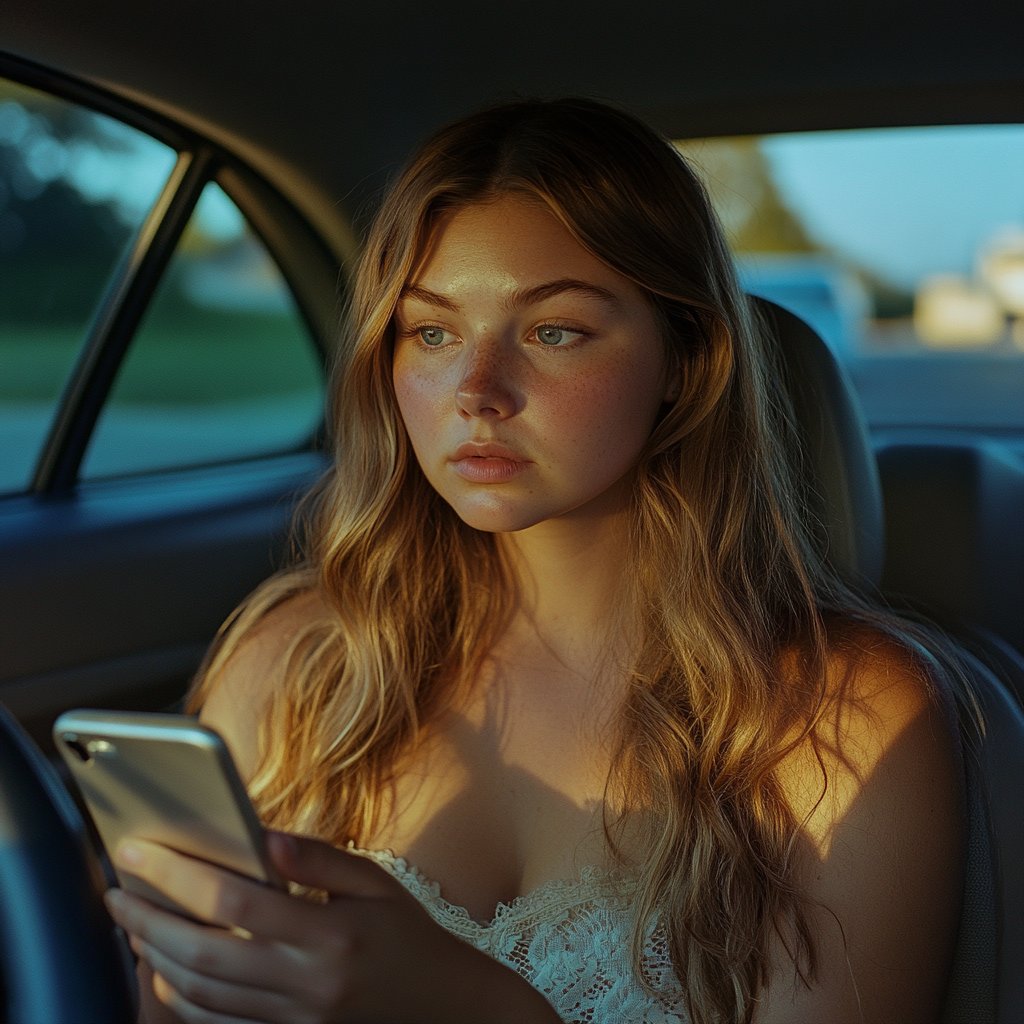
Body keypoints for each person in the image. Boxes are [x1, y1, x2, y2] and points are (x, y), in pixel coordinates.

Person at [104, 98, 969, 1024]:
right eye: (431, 333)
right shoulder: (294, 668)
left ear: (686, 358)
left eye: (554, 331)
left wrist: (474, 1007)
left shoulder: (840, 725)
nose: (476, 393)